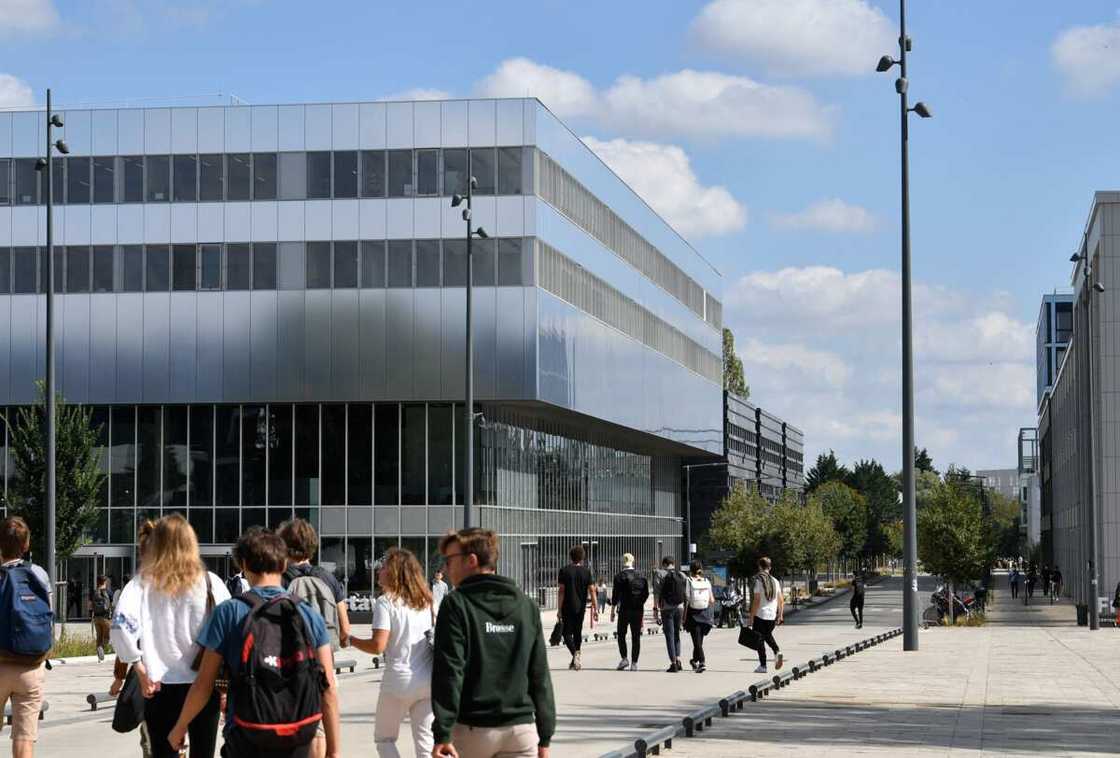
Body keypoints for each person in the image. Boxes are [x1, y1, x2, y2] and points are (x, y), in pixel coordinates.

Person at [169, 527, 341, 758]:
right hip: (298, 736)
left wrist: (180, 727)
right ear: (283, 565)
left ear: (243, 565)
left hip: (247, 735)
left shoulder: (228, 612)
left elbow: (204, 684)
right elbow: (328, 687)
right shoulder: (307, 613)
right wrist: (334, 751)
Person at [110, 514, 230, 758]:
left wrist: (138, 666)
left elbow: (121, 626)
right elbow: (229, 629)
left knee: (163, 751)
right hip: (203, 683)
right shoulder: (210, 583)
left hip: (158, 684)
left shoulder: (141, 584)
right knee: (203, 751)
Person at [432, 528, 555, 758]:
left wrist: (443, 732)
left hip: (473, 729)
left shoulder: (456, 604)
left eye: (449, 560)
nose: (445, 568)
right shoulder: (525, 605)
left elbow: (450, 671)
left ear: (471, 561)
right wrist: (545, 735)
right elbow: (539, 674)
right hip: (521, 731)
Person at [350, 548, 434, 758]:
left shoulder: (386, 602)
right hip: (427, 680)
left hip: (398, 680)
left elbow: (378, 646)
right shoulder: (427, 602)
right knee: (426, 743)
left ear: (395, 572)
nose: (379, 569)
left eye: (384, 566)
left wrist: (351, 639)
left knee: (384, 739)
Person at [0, 517, 52, 758]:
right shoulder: (38, 574)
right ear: (26, 545)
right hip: (31, 667)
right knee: (24, 740)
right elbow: (49, 613)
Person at [110, 520, 156, 758]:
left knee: (153, 739)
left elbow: (120, 631)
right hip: (186, 678)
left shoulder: (136, 587)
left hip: (149, 674)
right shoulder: (194, 583)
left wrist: (129, 670)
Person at [279, 518, 351, 651]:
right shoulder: (328, 578)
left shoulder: (278, 579)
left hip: (292, 658)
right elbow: (345, 630)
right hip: (324, 659)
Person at [556, 545, 597, 671]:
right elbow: (592, 590)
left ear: (571, 557)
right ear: (582, 558)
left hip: (567, 607)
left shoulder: (564, 571)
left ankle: (575, 654)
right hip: (580, 608)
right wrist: (595, 608)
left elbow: (561, 591)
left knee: (566, 633)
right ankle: (576, 658)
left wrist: (559, 609)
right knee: (577, 633)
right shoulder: (586, 572)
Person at [610, 553, 649, 672]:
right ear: (633, 561)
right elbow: (646, 593)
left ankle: (624, 658)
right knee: (636, 637)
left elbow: (615, 596)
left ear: (623, 561)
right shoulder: (641, 576)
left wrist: (612, 611)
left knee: (621, 634)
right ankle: (634, 663)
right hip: (637, 610)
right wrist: (640, 603)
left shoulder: (619, 577)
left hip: (624, 610)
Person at [749, 557, 784, 674]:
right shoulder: (775, 581)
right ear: (770, 567)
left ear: (760, 567)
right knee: (767, 636)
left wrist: (751, 616)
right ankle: (777, 652)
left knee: (759, 640)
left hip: (760, 614)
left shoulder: (758, 581)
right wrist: (780, 615)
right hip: (771, 616)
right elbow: (781, 600)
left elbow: (757, 600)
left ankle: (763, 665)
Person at [655, 556, 687, 673]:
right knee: (677, 634)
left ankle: (673, 663)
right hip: (680, 607)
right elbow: (686, 594)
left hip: (666, 608)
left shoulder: (660, 574)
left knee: (669, 635)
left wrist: (655, 608)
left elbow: (657, 592)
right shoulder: (682, 575)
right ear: (673, 564)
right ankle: (678, 659)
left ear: (664, 564)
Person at [683, 561, 715, 673]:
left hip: (693, 615)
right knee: (698, 641)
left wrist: (684, 617)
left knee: (696, 641)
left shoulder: (689, 580)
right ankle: (694, 660)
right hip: (705, 614)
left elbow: (687, 599)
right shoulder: (707, 581)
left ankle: (702, 662)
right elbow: (712, 600)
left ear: (691, 570)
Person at [90, 575, 113, 663]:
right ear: (105, 582)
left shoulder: (93, 592)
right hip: (106, 618)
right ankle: (101, 648)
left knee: (99, 636)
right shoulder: (109, 592)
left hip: (96, 617)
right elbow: (112, 604)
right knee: (107, 637)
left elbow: (90, 605)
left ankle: (100, 656)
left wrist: (91, 615)